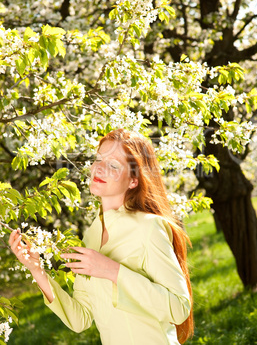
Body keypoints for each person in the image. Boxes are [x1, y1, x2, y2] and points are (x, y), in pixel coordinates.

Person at [9, 128, 194, 344]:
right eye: (98, 159)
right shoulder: (92, 234)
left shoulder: (149, 227)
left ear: (133, 181)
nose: (99, 168)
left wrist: (112, 271)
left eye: (113, 165)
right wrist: (37, 270)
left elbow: (179, 308)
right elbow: (81, 319)